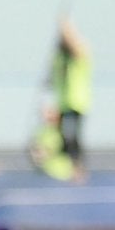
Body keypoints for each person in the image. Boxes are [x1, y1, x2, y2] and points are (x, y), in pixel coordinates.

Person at [50, 18, 91, 177]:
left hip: (77, 102)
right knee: (62, 138)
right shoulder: (60, 58)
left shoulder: (78, 55)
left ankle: (77, 168)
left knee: (72, 137)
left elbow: (76, 46)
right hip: (63, 102)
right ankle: (65, 168)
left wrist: (66, 28)